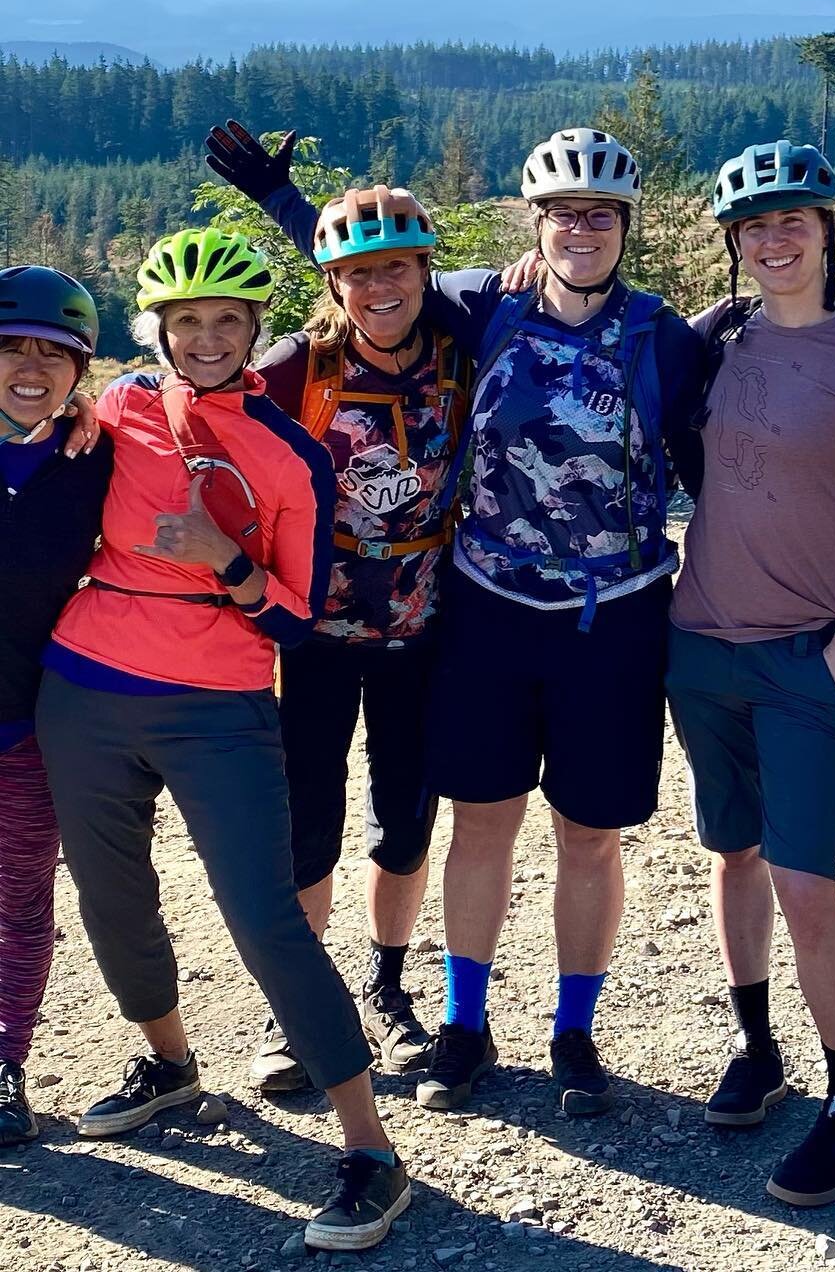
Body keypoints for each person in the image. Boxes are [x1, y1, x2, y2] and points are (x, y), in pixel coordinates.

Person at [205, 123, 705, 1118]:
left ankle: (566, 1028)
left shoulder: (662, 335)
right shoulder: (488, 304)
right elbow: (366, 267)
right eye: (564, 211)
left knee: (568, 831)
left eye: (600, 212)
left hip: (595, 617)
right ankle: (446, 1024)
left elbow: (731, 455)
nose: (582, 227)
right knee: (443, 822)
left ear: (625, 224)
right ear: (536, 219)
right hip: (461, 614)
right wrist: (281, 199)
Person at [35, 228, 409, 1253]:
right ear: (156, 330)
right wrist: (68, 408)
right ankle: (168, 1064)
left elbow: (296, 617)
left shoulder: (290, 452)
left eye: (227, 322)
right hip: (84, 685)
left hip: (219, 703)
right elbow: (50, 431)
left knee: (266, 918)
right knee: (110, 896)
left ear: (254, 332)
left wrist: (227, 560)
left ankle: (372, 1147)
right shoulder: (112, 408)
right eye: (186, 321)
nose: (205, 338)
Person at [666, 139, 835, 1207]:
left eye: (795, 223)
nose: (775, 241)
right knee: (732, 855)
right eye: (754, 228)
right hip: (701, 644)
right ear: (734, 245)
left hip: (809, 657)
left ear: (829, 230)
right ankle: (757, 1045)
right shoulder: (715, 341)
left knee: (806, 879)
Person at [211, 168, 464, 1096]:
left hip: (423, 635)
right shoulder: (294, 370)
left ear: (425, 272)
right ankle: (305, 1010)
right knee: (308, 828)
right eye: (359, 275)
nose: (380, 288)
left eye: (399, 268)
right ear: (331, 286)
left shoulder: (456, 350)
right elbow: (197, 404)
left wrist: (288, 202)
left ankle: (389, 991)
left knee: (405, 823)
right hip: (312, 641)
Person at [0, 267, 113, 1146]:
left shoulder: (98, 457)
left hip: (27, 728)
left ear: (82, 369)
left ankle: (4, 1067)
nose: (30, 367)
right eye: (9, 347)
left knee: (17, 902)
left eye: (53, 351)